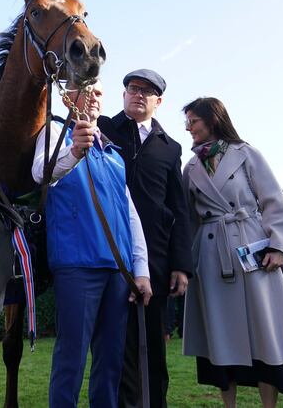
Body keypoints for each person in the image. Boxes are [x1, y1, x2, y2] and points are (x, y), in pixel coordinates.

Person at [181, 97, 283, 407]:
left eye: (193, 121)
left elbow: (273, 202)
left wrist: (279, 247)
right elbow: (187, 218)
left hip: (253, 252)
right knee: (219, 338)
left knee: (264, 334)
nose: (188, 128)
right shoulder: (189, 167)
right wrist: (186, 263)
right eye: (186, 122)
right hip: (212, 256)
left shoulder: (247, 155)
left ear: (212, 120)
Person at [34, 80, 152, 408]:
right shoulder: (53, 134)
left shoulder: (114, 152)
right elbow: (40, 174)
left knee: (111, 361)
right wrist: (73, 151)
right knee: (71, 358)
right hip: (77, 264)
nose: (94, 97)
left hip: (118, 270)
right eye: (85, 89)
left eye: (99, 91)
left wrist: (140, 269)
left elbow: (130, 215)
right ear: (66, 96)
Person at [96, 69, 192, 408]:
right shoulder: (103, 129)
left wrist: (181, 264)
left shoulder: (170, 147)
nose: (138, 95)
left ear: (158, 101)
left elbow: (178, 207)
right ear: (122, 95)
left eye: (147, 91)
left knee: (153, 340)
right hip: (108, 251)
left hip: (156, 255)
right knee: (115, 341)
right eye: (132, 89)